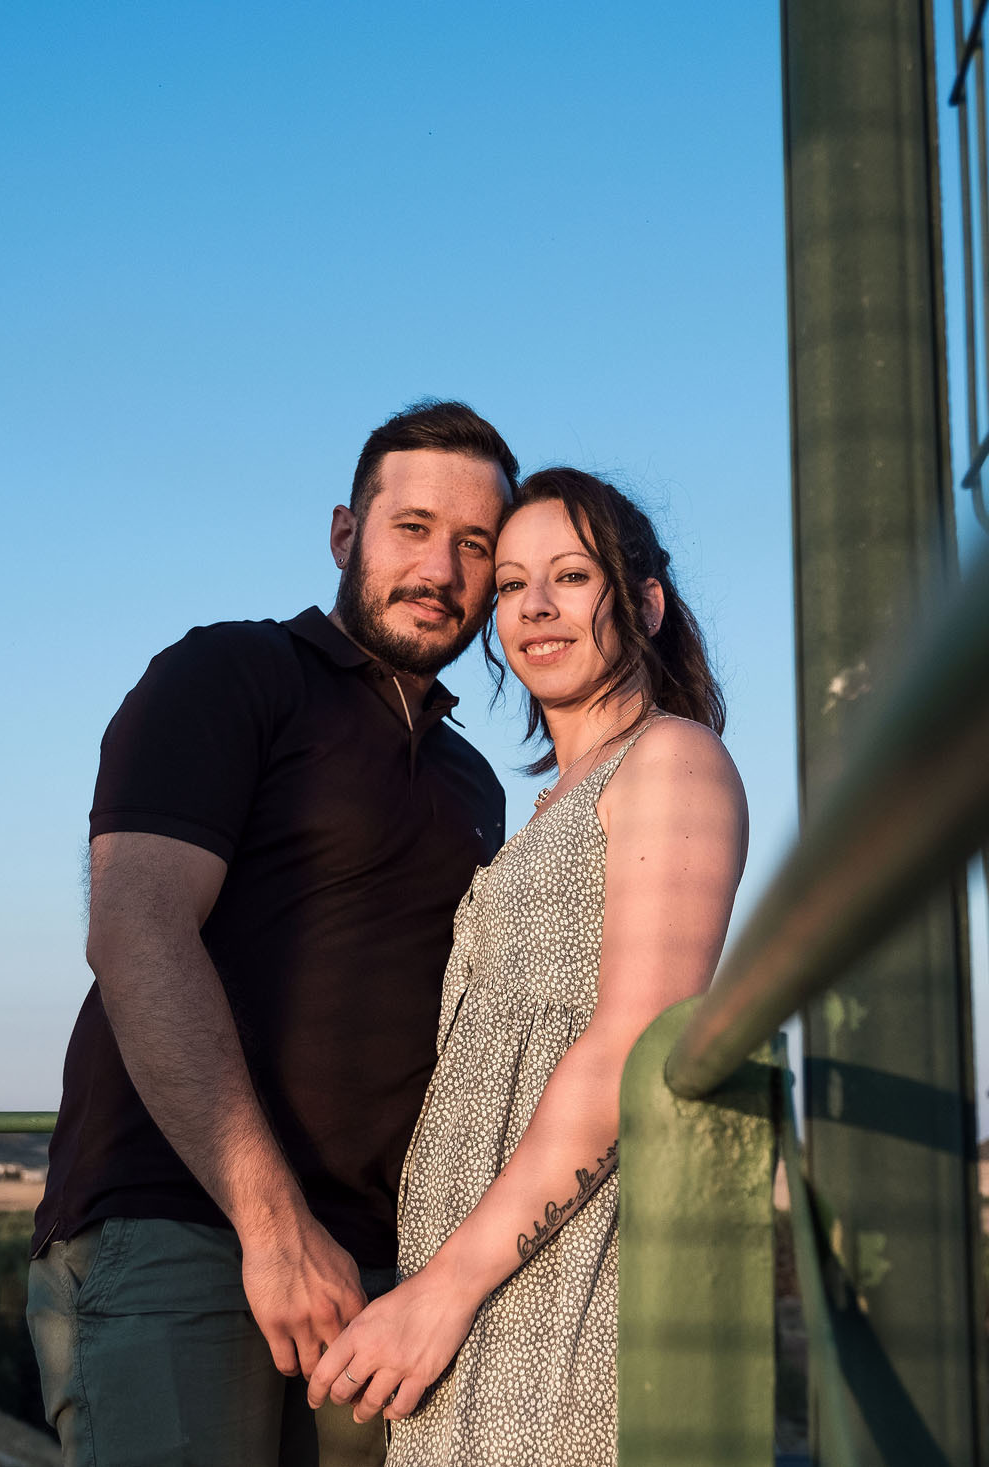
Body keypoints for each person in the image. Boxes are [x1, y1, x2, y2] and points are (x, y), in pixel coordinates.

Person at [26, 400, 520, 1467]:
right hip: (182, 1221)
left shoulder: (471, 780)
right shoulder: (230, 674)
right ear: (345, 534)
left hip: (374, 1276)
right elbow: (137, 929)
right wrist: (273, 1224)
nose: (440, 567)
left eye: (474, 544)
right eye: (412, 527)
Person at [306, 467, 749, 1466]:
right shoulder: (541, 808)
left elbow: (634, 1043)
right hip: (475, 1281)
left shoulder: (670, 761)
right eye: (510, 584)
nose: (535, 608)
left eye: (572, 576)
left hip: (561, 1285)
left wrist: (443, 1291)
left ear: (642, 604)